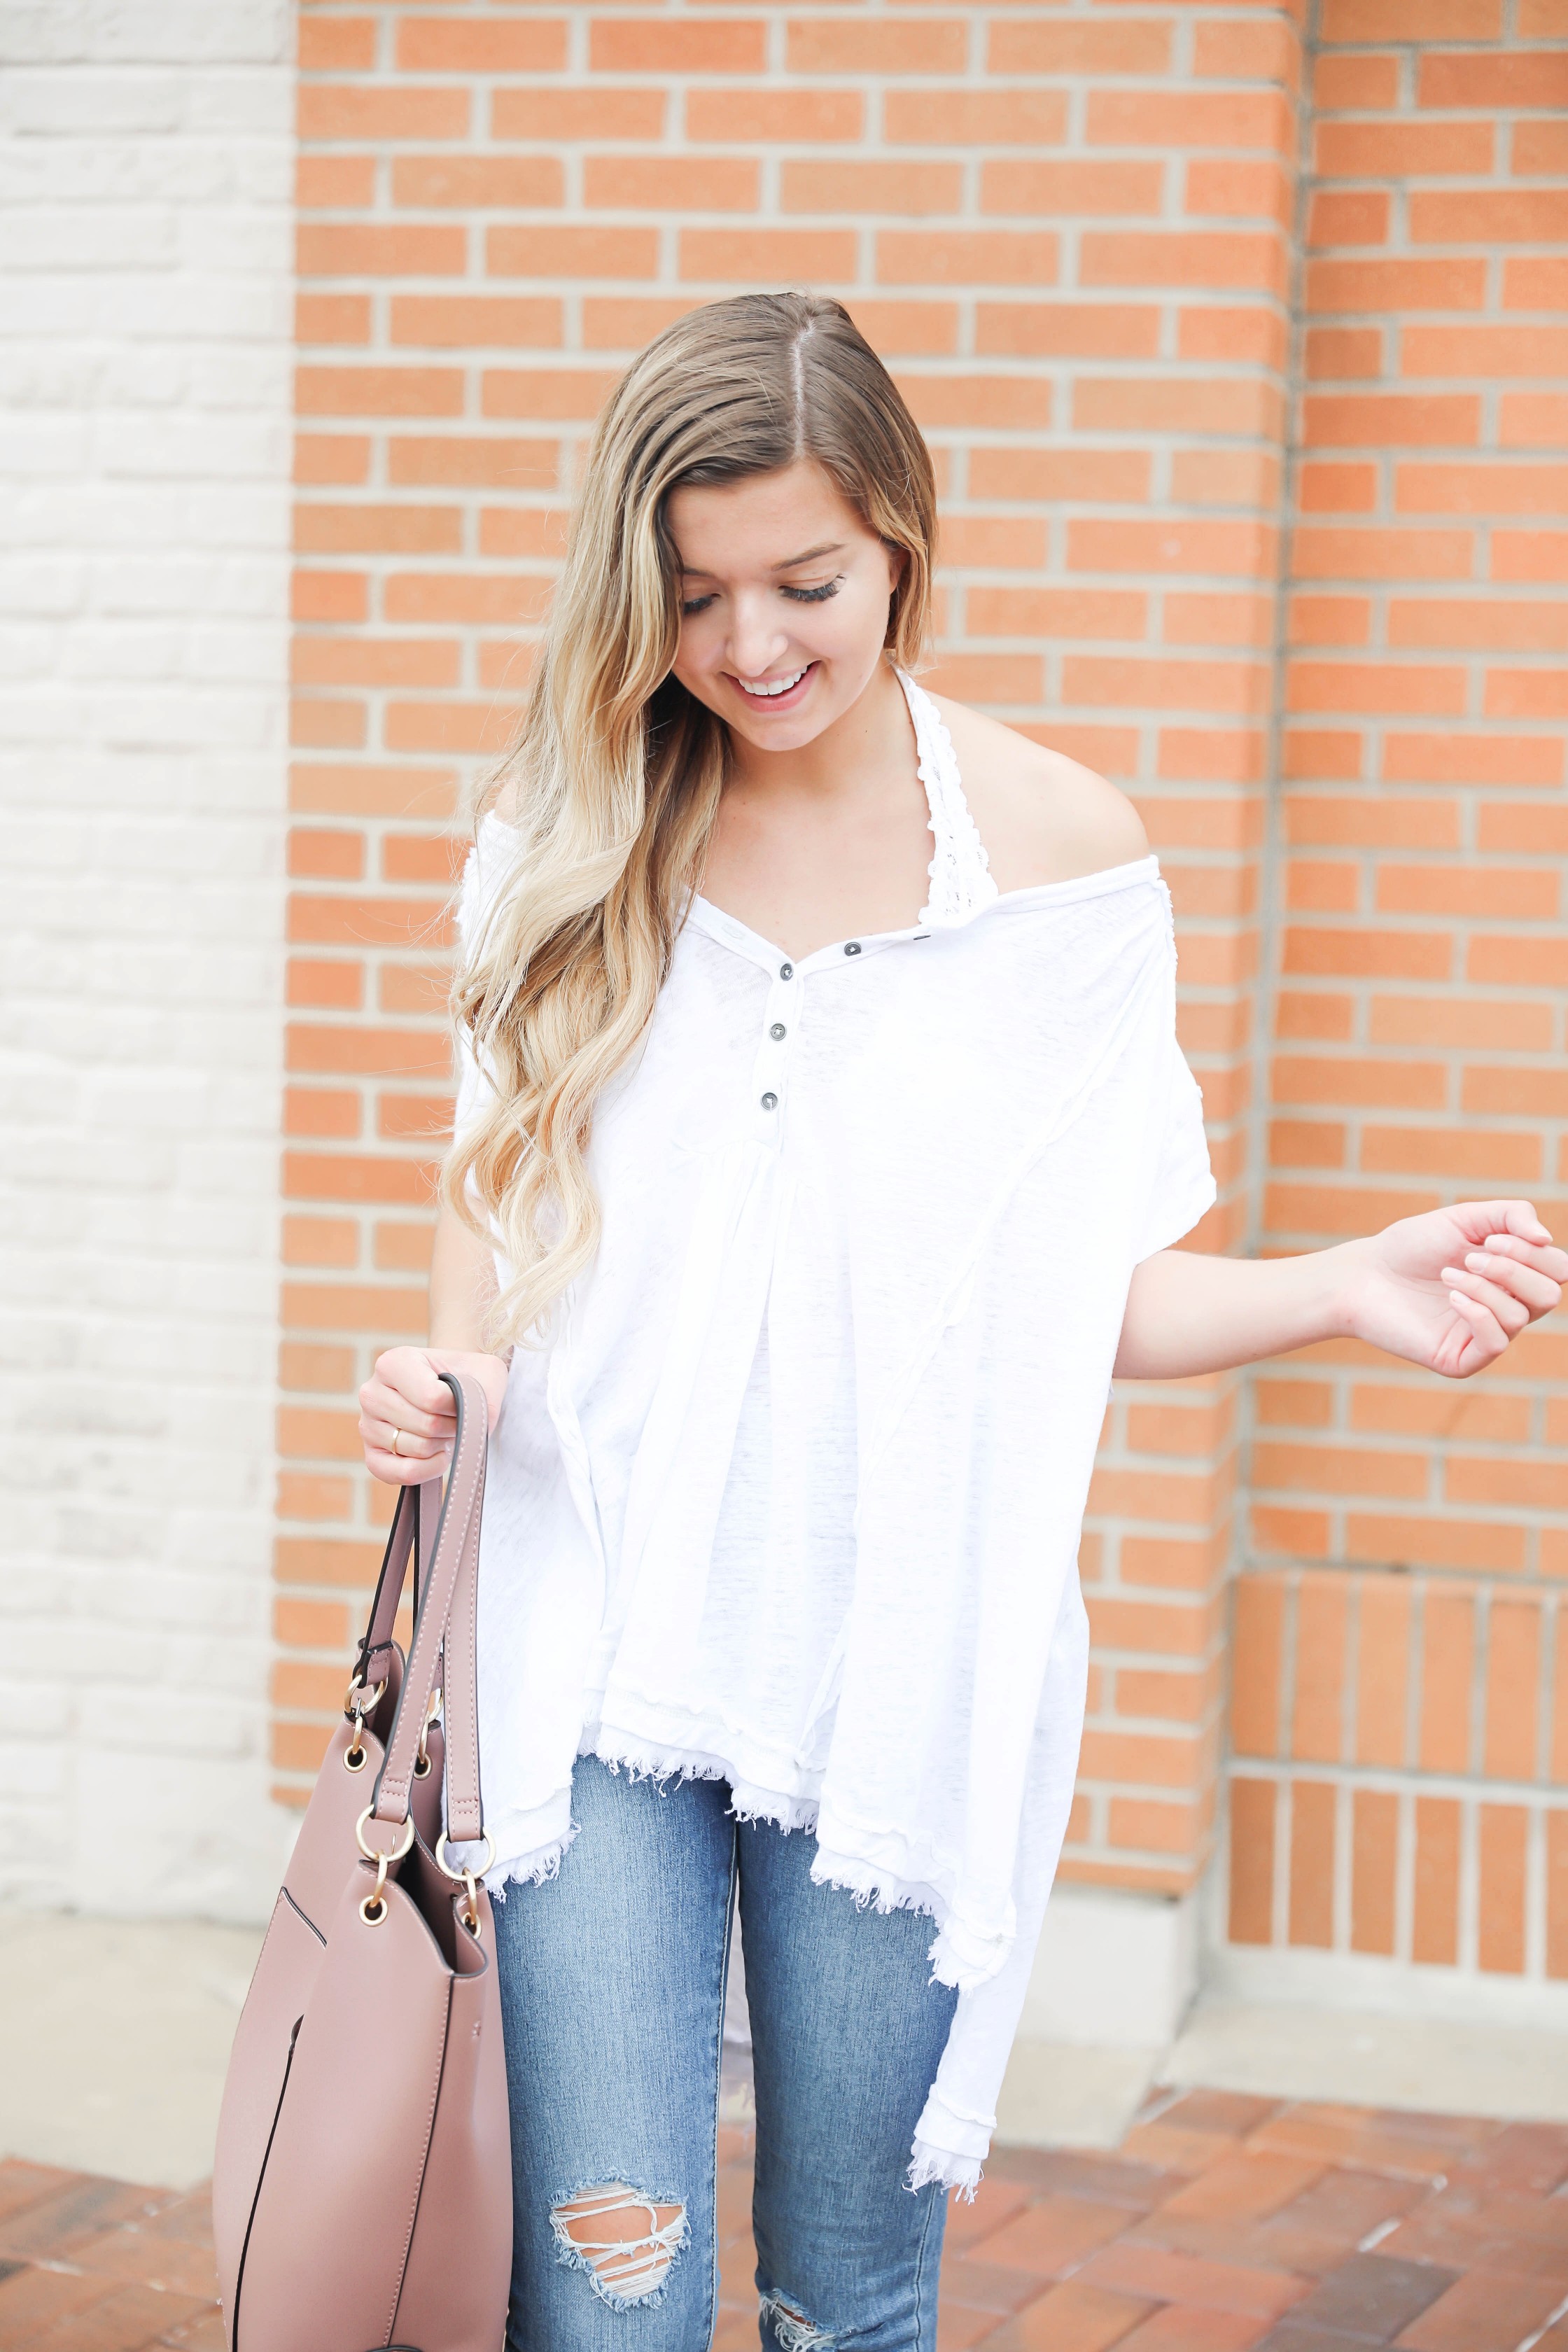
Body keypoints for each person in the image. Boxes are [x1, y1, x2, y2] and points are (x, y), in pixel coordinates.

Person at [356, 292, 1564, 2352]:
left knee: (848, 2295)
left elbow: (1069, 1303)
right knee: (606, 2298)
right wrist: (447, 1375)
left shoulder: (1066, 870)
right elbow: (501, 1214)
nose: (750, 649)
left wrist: (1341, 1289)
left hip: (898, 1674)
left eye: (804, 582)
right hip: (590, 1657)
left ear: (902, 537)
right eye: (694, 596)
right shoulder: (558, 841)